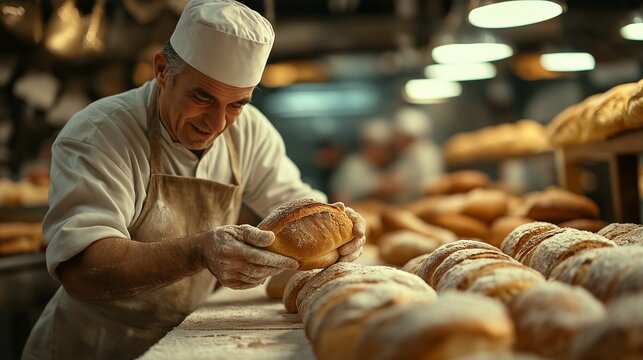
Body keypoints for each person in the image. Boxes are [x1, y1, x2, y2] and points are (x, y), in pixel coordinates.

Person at [21, 1, 366, 359]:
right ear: (162, 71)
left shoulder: (248, 132)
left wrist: (340, 228)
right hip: (93, 346)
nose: (216, 124)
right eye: (202, 96)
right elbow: (84, 271)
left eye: (237, 104)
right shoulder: (100, 134)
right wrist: (198, 250)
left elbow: (298, 207)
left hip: (181, 343)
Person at [329, 117, 397, 204]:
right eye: (379, 149)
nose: (384, 154)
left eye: (386, 149)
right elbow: (341, 197)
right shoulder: (352, 165)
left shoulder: (387, 165)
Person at [384, 106, 443, 203]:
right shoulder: (406, 153)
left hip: (424, 207)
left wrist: (401, 184)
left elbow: (429, 187)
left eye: (398, 135)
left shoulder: (426, 154)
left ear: (408, 136)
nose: (394, 139)